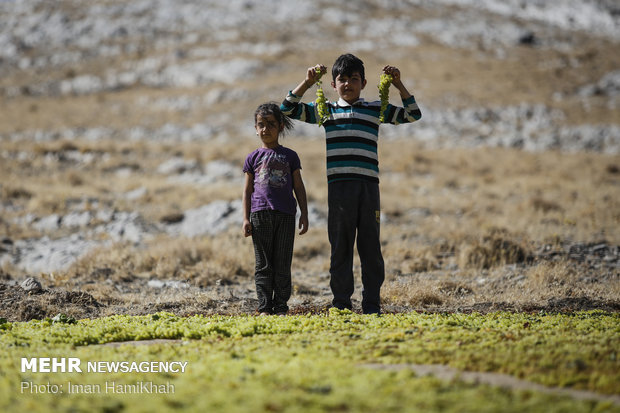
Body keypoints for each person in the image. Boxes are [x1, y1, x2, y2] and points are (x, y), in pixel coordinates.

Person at [280, 53, 421, 314]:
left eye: (353, 79)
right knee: (340, 247)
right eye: (342, 79)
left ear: (364, 83)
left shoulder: (375, 109)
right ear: (333, 85)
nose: (347, 84)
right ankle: (342, 304)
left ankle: (371, 305)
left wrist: (398, 84)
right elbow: (286, 109)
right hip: (339, 189)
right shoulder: (325, 111)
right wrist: (307, 82)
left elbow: (413, 115)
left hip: (368, 189)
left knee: (370, 247)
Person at [243, 102, 309, 315]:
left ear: (281, 126)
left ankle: (280, 306)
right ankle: (264, 307)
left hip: (286, 215)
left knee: (282, 263)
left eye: (271, 124)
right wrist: (246, 219)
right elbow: (247, 191)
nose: (265, 129)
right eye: (261, 124)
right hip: (260, 215)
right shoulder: (252, 158)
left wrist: (304, 214)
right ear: (255, 128)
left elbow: (298, 186)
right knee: (263, 264)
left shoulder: (290, 156)